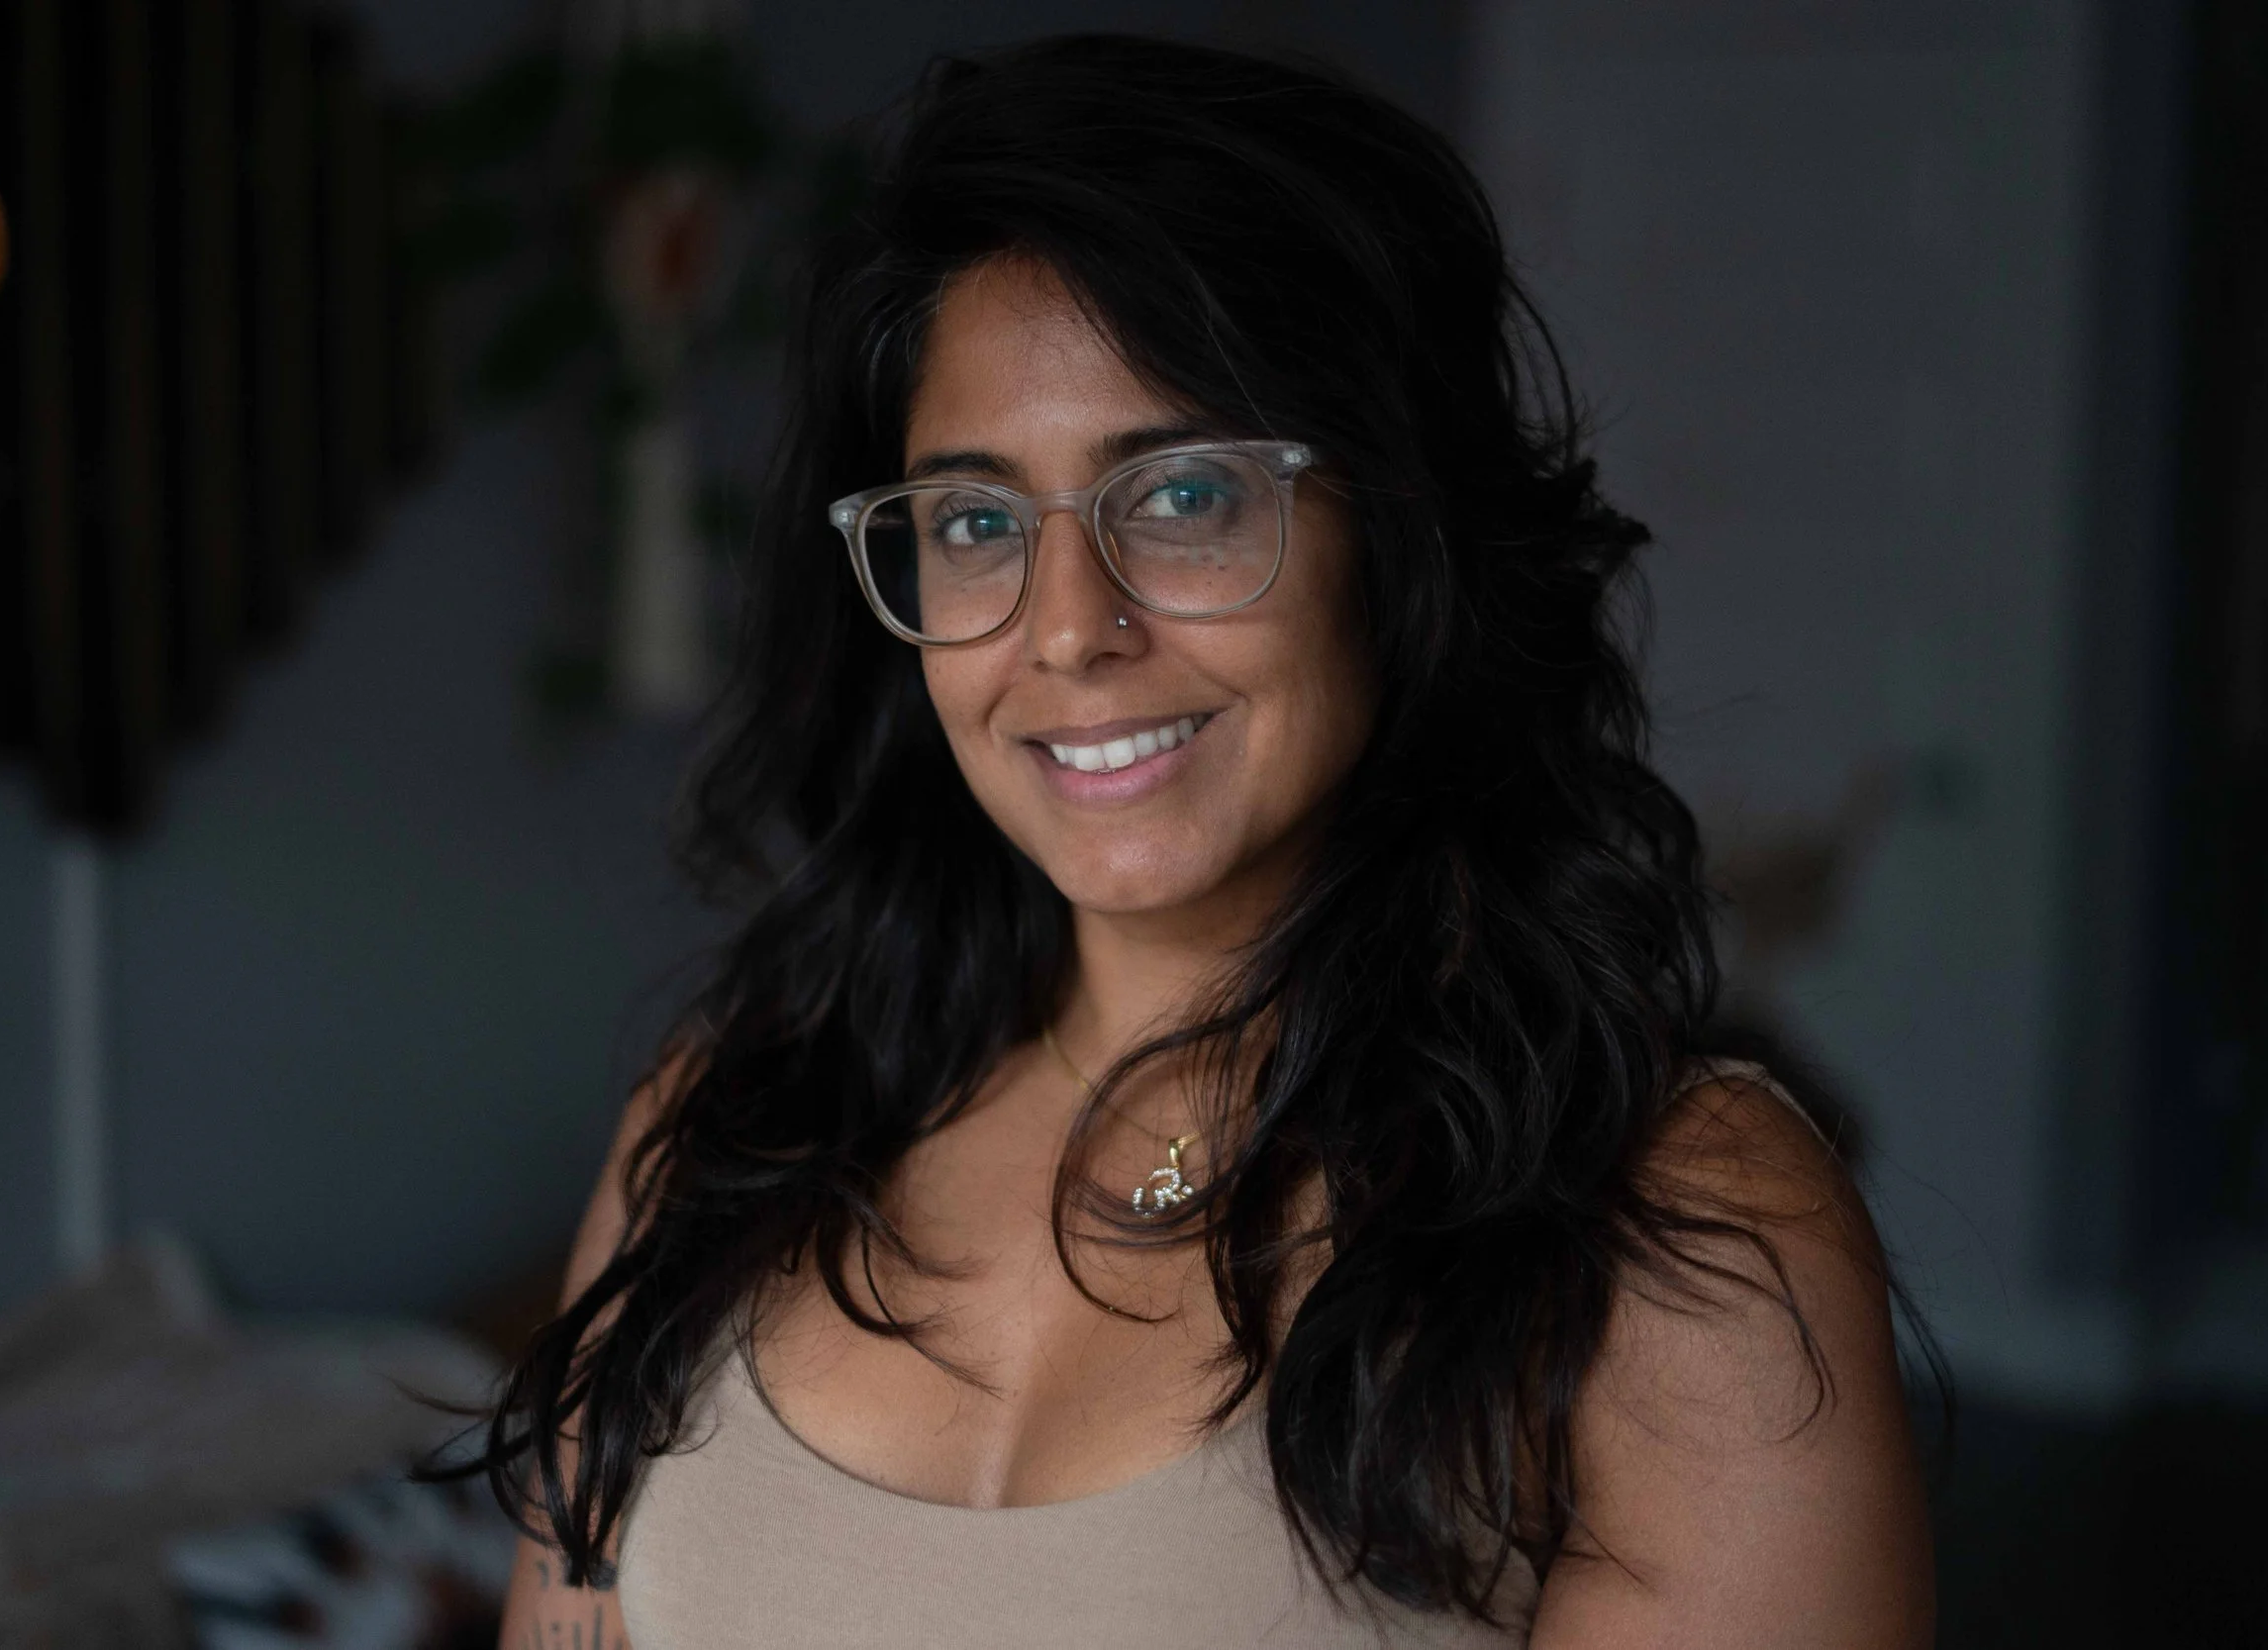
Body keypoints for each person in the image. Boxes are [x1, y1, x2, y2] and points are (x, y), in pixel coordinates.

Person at [479, 33, 1934, 1650]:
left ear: (1395, 525)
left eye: (1182, 496)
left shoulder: (1677, 1231)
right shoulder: (729, 1116)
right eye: (975, 523)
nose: (1070, 631)